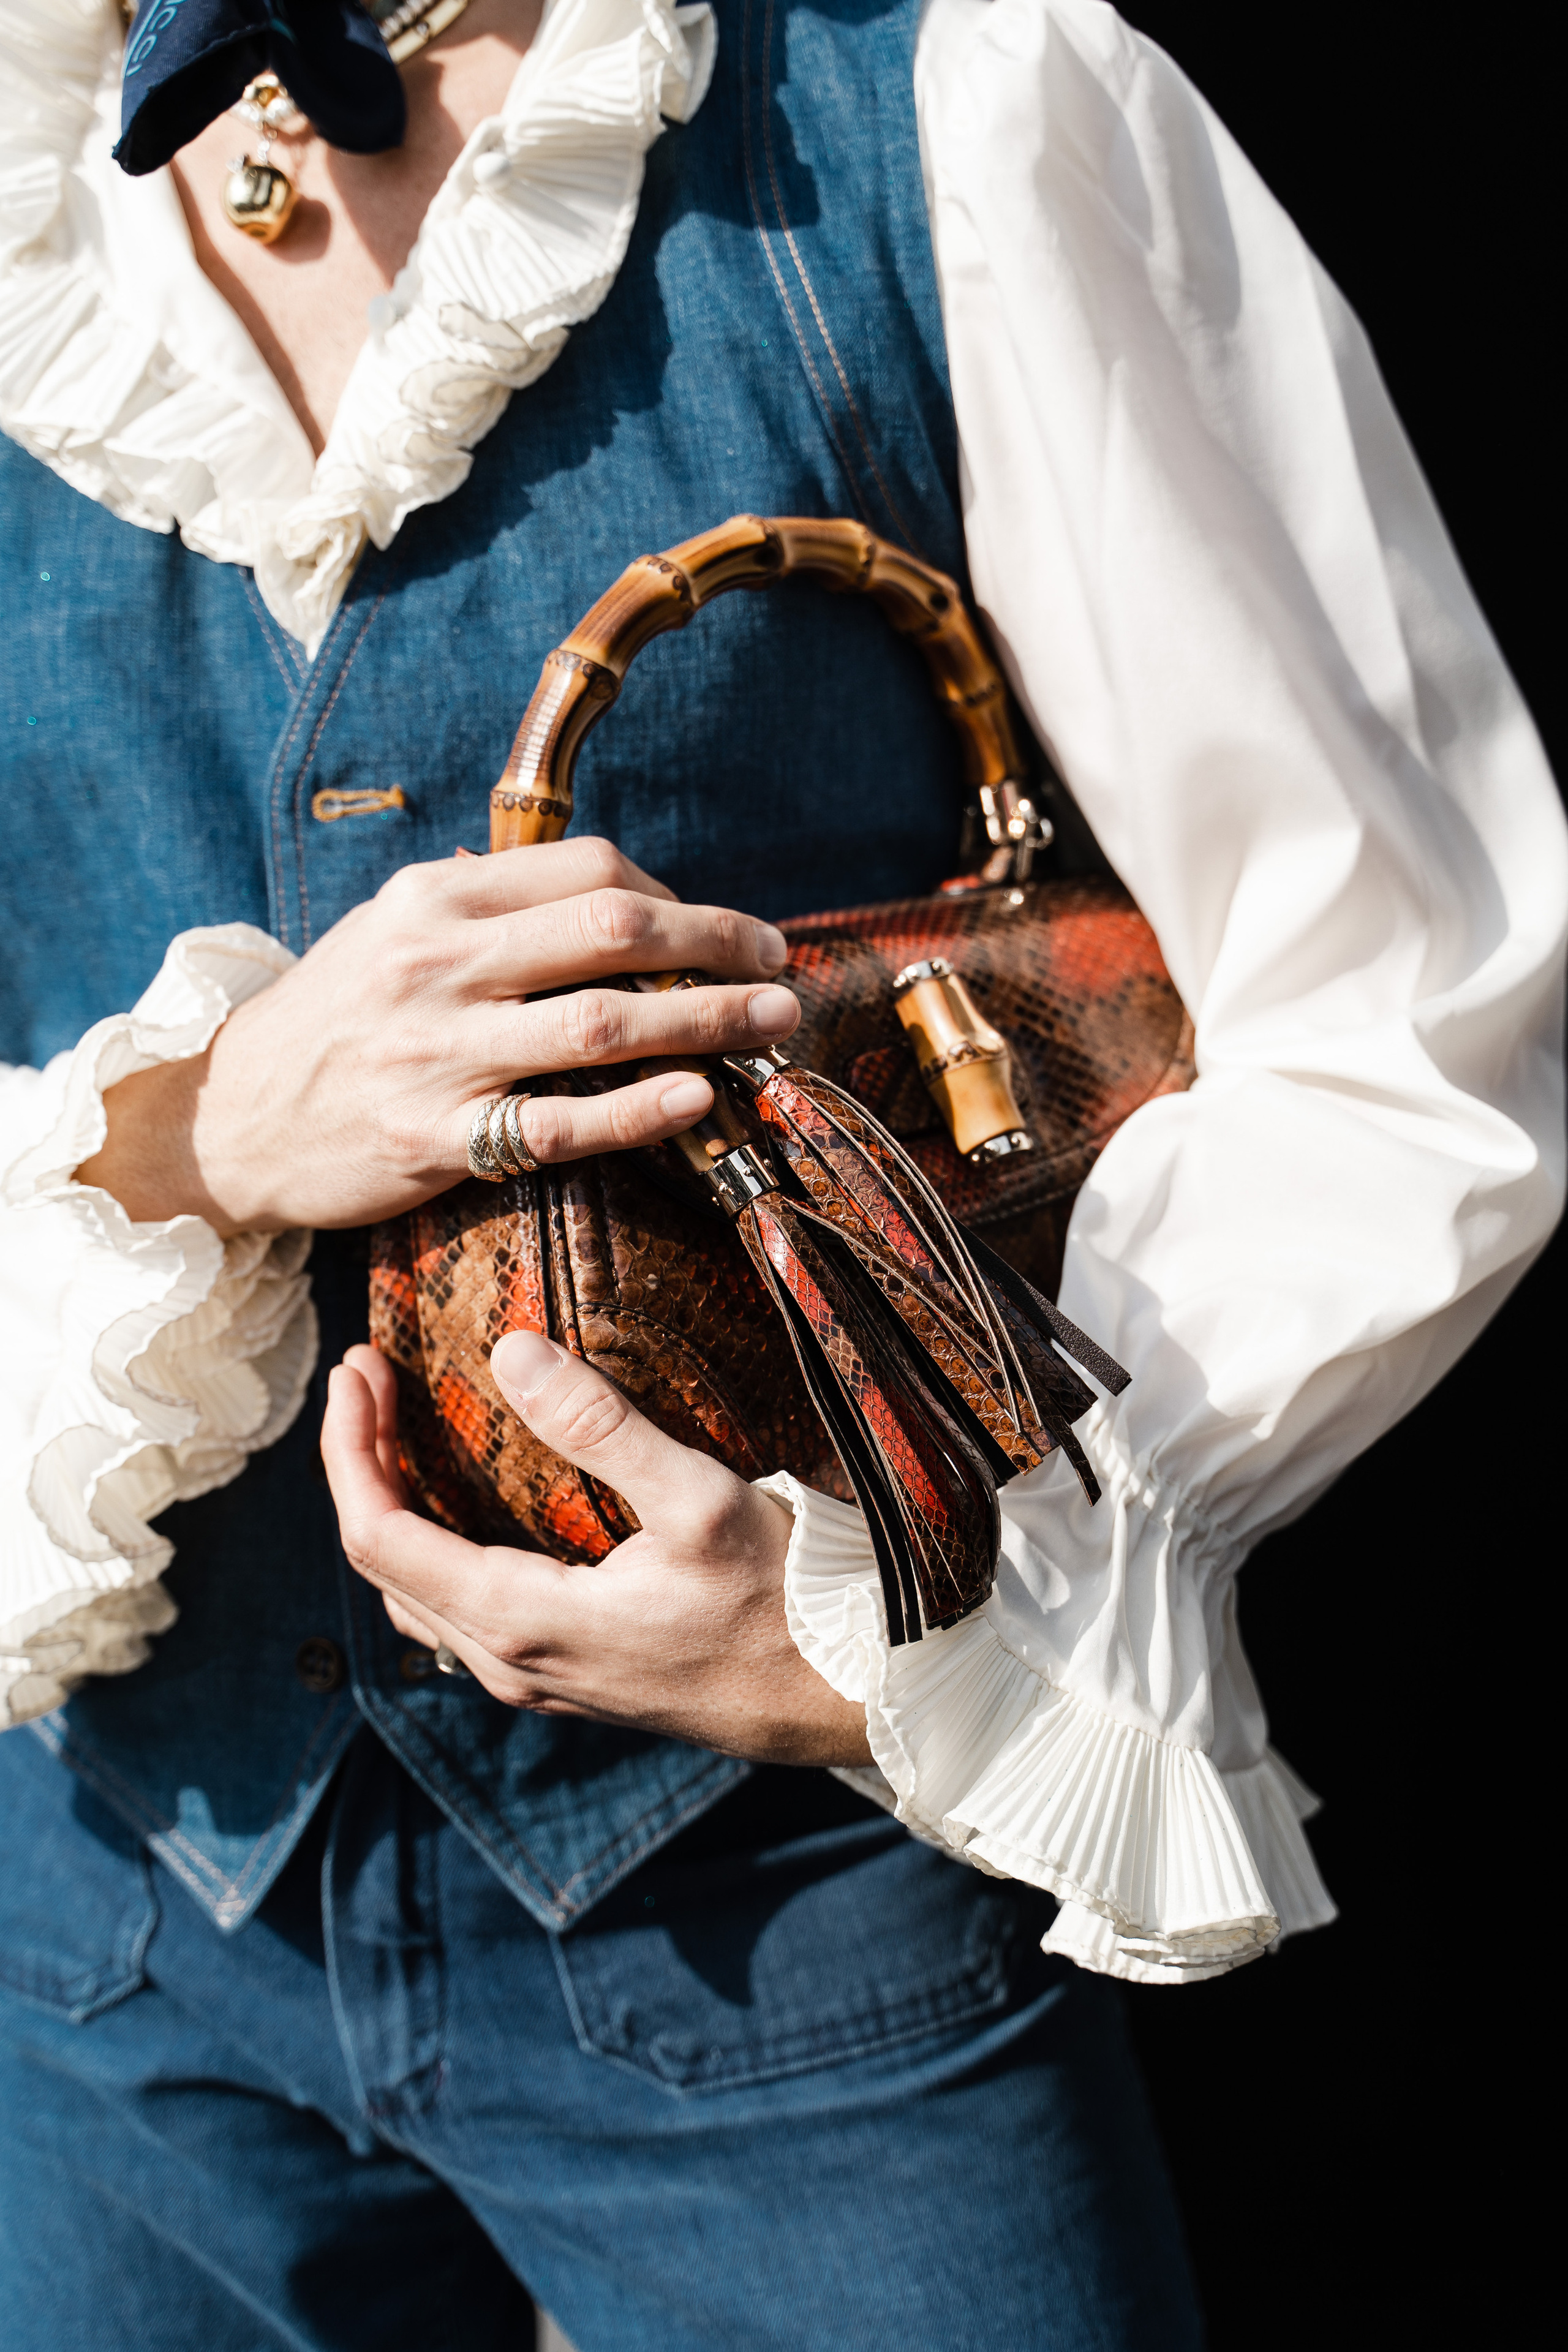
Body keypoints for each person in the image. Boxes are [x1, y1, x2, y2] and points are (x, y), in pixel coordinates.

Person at [1, 0, 1561, 2344]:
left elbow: (1405, 1007)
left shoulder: (944, 96)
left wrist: (932, 1610)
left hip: (789, 1931)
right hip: (101, 1943)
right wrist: (212, 1126)